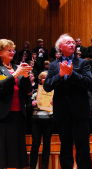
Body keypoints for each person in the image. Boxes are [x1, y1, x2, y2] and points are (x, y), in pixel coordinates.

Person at [43, 34, 92, 169]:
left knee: (83, 148)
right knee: (65, 148)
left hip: (81, 112)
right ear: (60, 47)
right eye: (68, 43)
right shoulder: (54, 66)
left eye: (73, 42)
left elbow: (89, 83)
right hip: (62, 112)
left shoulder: (83, 63)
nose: (72, 45)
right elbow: (47, 86)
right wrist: (59, 75)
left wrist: (72, 74)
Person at [0, 39, 32, 168]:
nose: (12, 52)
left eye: (13, 50)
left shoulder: (16, 67)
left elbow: (28, 91)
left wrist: (24, 77)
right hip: (3, 115)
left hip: (18, 114)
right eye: (9, 50)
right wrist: (15, 75)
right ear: (0, 52)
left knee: (17, 148)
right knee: (3, 149)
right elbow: (1, 88)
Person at [29, 71, 54, 169]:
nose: (45, 79)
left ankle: (44, 167)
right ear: (40, 80)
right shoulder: (35, 91)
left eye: (47, 77)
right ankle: (32, 167)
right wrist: (33, 103)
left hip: (49, 120)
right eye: (43, 78)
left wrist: (54, 105)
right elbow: (28, 106)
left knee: (47, 144)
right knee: (35, 144)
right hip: (36, 120)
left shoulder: (54, 91)